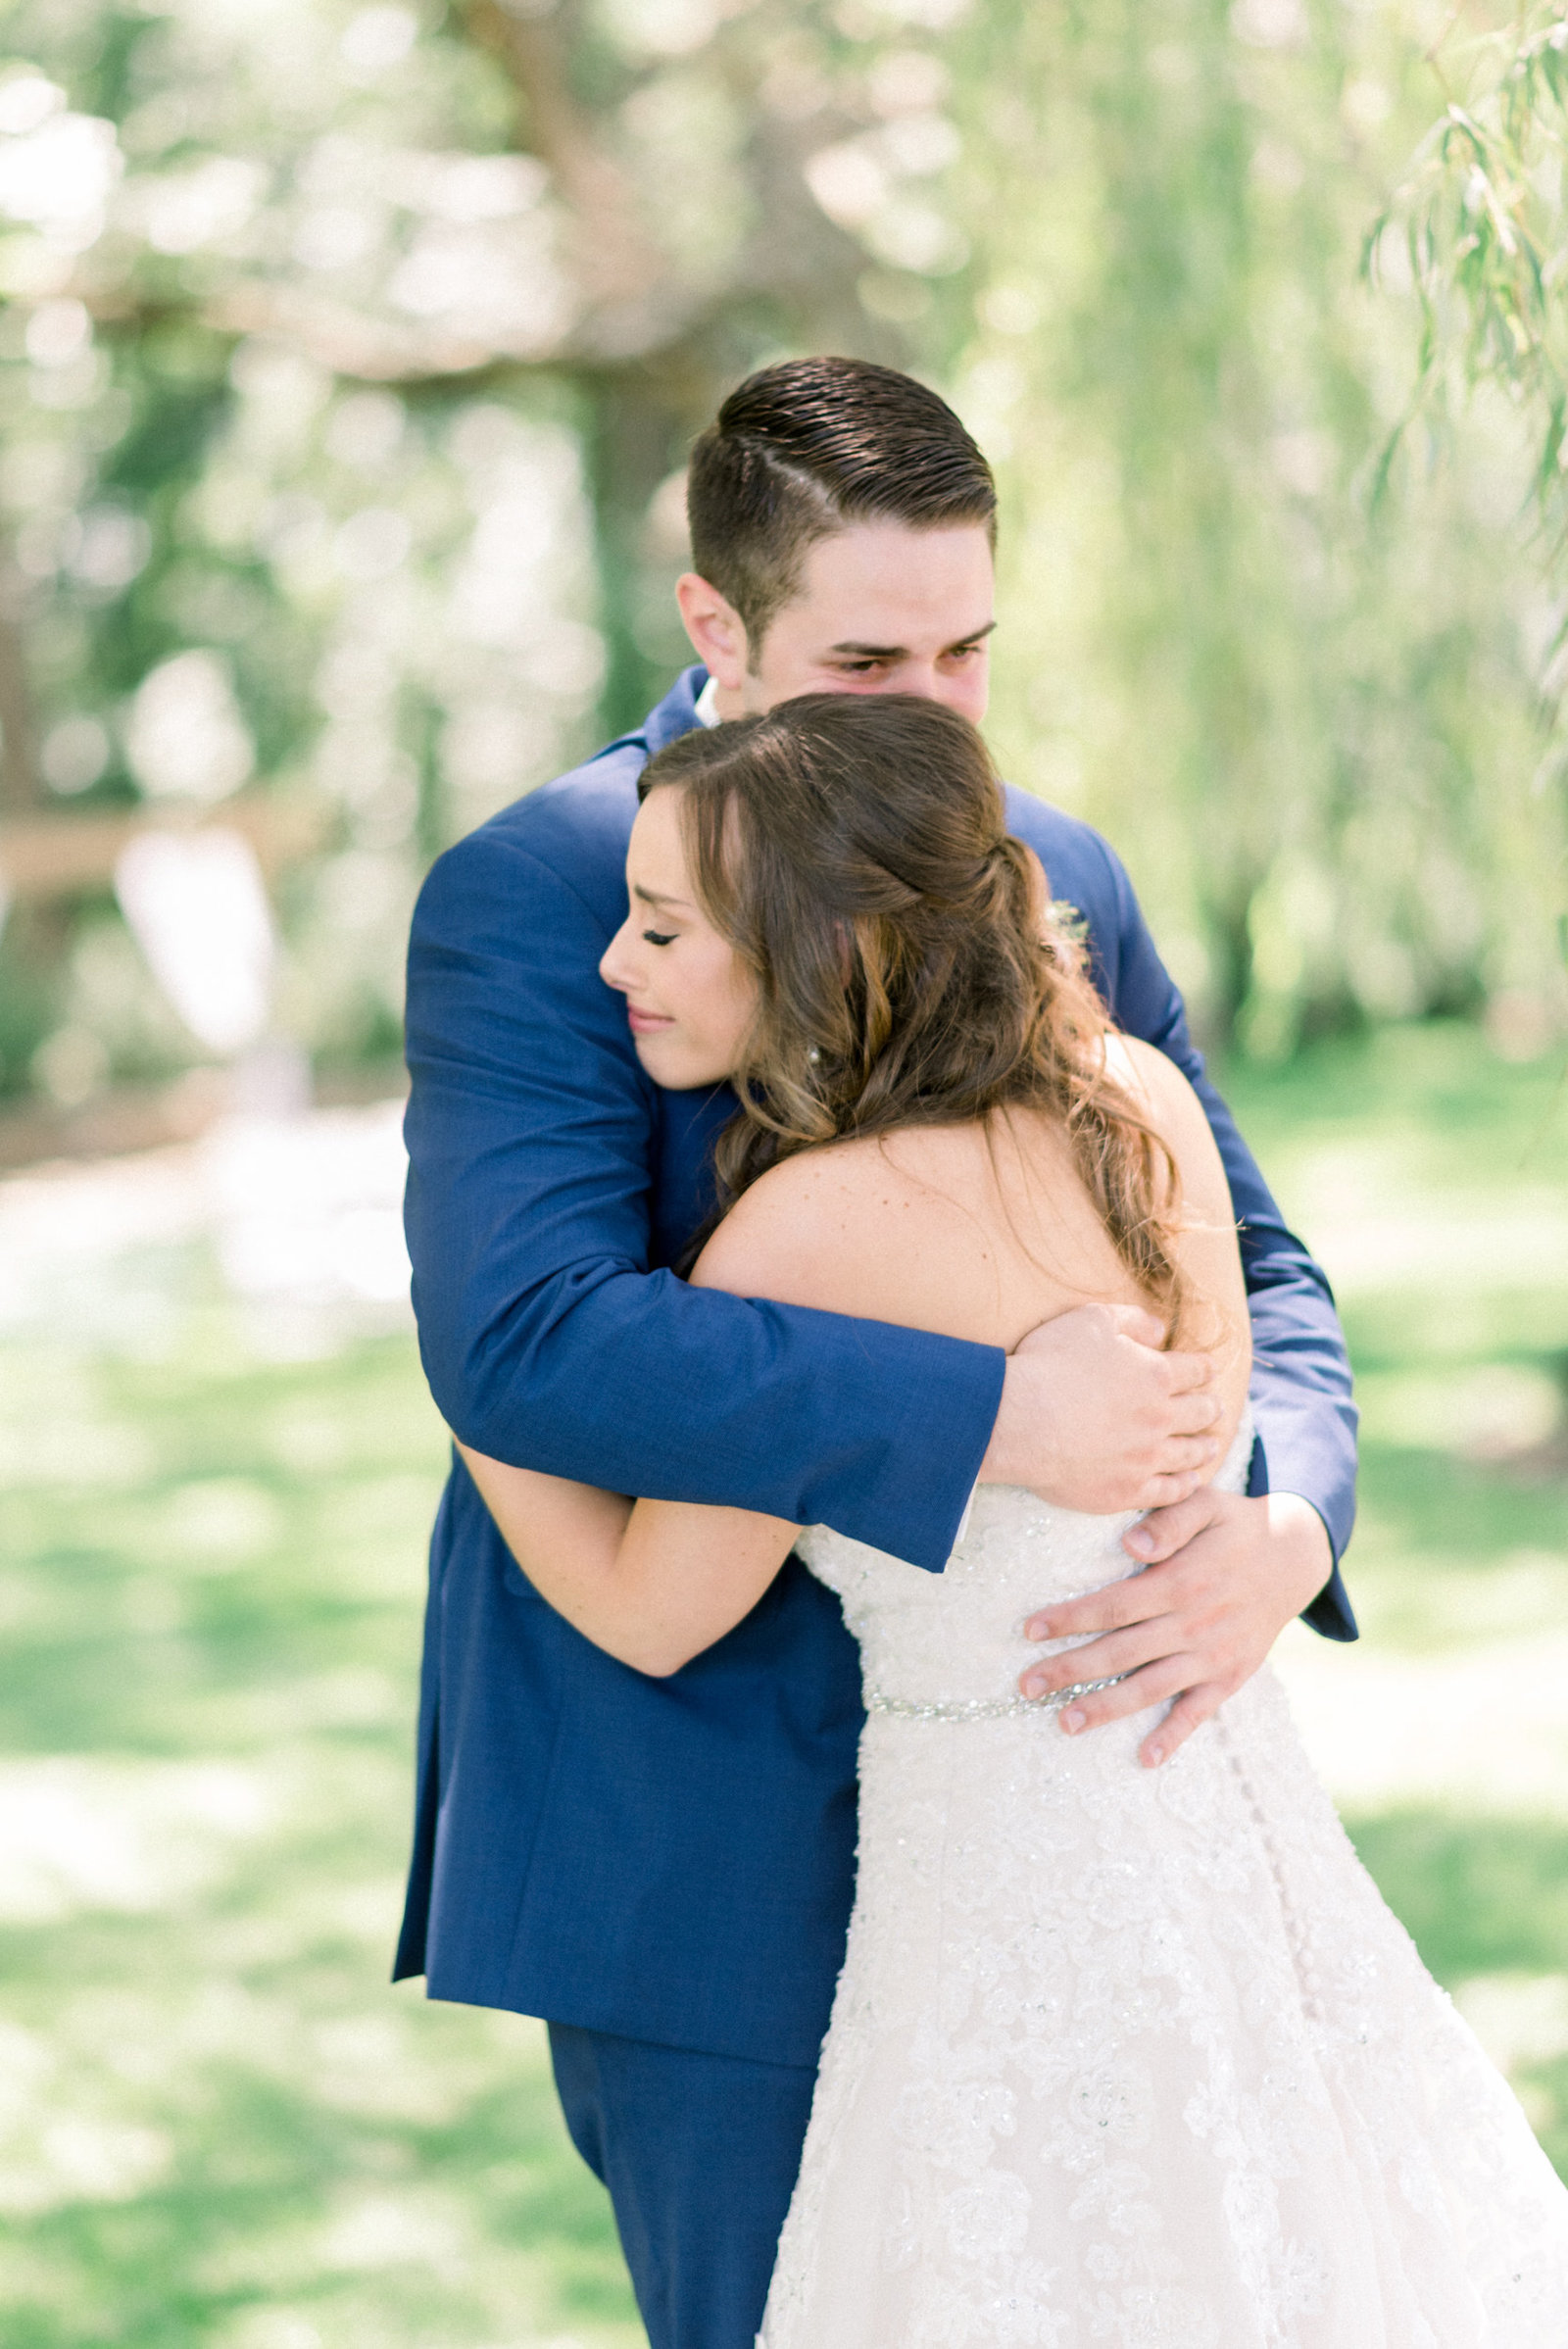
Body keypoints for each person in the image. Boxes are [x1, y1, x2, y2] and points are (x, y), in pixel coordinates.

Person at [394, 358, 1358, 2349]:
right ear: (716, 629)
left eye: (965, 650)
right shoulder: (547, 893)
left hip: (1106, 1823)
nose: (929, 715)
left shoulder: (1051, 870)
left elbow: (1256, 1268)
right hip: (710, 1853)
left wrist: (1273, 1514)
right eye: (863, 657)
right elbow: (536, 1335)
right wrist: (993, 1410)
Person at [461, 691, 1568, 2343]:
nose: (615, 961)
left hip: (1000, 1935)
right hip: (1237, 1872)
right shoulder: (1141, 1107)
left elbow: (648, 1606)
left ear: (812, 943)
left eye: (663, 925)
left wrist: (483, 1385)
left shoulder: (804, 1233)